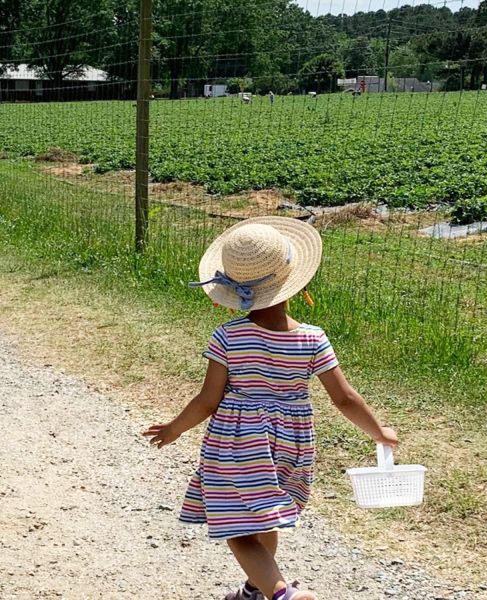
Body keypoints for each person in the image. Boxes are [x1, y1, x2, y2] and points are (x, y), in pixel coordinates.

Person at [144, 216, 398, 600]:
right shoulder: (313, 339)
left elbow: (208, 400)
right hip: (291, 442)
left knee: (237, 527)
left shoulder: (229, 336)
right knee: (265, 512)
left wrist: (175, 428)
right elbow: (344, 398)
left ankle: (282, 595)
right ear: (295, 281)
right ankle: (254, 590)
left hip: (238, 444)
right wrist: (379, 432)